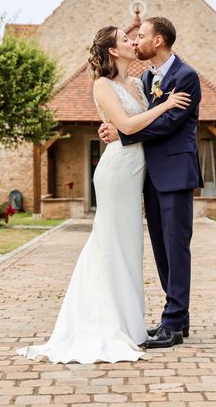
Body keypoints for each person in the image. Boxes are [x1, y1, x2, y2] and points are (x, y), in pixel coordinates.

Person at [16, 25, 190, 363]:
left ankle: (129, 324)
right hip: (116, 172)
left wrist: (155, 108)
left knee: (129, 247)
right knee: (109, 243)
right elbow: (126, 126)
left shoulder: (139, 83)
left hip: (137, 172)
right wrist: (166, 105)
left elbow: (135, 126)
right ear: (112, 50)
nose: (132, 41)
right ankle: (103, 322)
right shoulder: (101, 85)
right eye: (125, 40)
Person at [99, 17, 203, 348]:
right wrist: (116, 128)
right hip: (148, 175)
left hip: (174, 174)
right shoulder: (146, 78)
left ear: (157, 41)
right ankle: (178, 316)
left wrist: (123, 134)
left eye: (141, 36)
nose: (136, 40)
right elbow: (132, 114)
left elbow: (169, 123)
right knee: (161, 248)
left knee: (176, 247)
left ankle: (172, 323)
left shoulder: (185, 76)